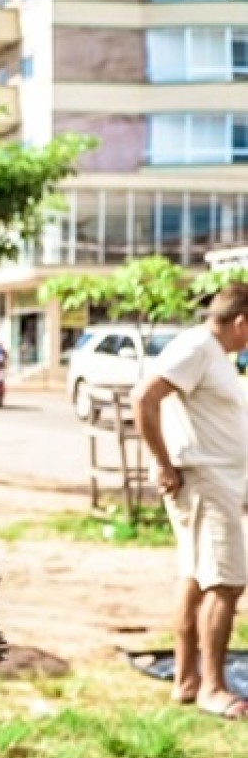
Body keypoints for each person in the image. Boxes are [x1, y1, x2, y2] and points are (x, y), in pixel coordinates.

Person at [131, 283, 248, 721]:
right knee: (227, 583)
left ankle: (187, 681)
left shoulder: (215, 355)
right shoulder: (198, 346)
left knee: (198, 580)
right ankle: (211, 687)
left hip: (217, 483)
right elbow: (145, 397)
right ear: (241, 322)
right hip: (203, 483)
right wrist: (162, 463)